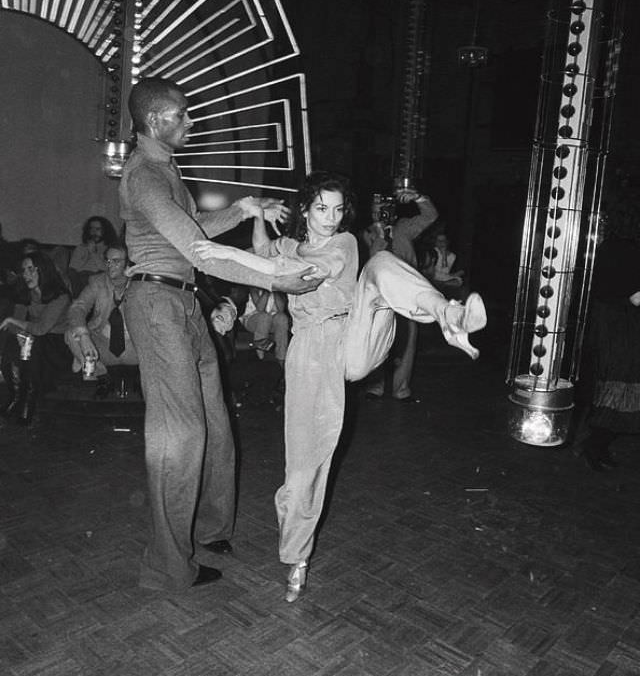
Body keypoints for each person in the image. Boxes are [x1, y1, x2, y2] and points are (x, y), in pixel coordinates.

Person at [193, 171, 486, 604]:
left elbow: (300, 275)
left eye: (336, 209)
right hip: (310, 351)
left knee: (383, 265)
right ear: (306, 210)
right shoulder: (290, 245)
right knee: (305, 464)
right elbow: (265, 255)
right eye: (321, 208)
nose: (330, 218)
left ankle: (448, 315)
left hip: (353, 337)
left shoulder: (345, 244)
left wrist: (224, 251)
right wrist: (255, 214)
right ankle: (297, 559)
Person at [119, 76, 323, 593]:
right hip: (157, 303)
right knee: (178, 438)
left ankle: (209, 530)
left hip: (184, 304)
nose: (192, 122)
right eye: (183, 115)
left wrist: (245, 208)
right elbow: (198, 249)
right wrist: (277, 278)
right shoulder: (144, 175)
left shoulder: (168, 170)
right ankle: (166, 568)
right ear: (155, 121)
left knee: (215, 423)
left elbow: (196, 226)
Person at [363, 188, 438, 401]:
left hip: (406, 292)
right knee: (376, 340)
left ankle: (401, 388)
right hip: (379, 295)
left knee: (408, 340)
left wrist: (419, 197)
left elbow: (430, 216)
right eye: (376, 208)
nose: (380, 212)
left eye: (384, 208)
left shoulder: (404, 228)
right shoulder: (367, 234)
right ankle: (375, 386)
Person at [577, 235, 640, 471]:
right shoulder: (627, 250)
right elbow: (635, 297)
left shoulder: (613, 248)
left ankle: (596, 446)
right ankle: (594, 447)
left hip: (611, 328)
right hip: (619, 332)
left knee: (612, 389)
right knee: (618, 390)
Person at [0, 251, 72, 425]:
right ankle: (16, 397)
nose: (26, 275)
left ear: (44, 270)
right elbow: (13, 325)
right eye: (23, 270)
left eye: (31, 269)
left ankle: (28, 403)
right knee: (15, 342)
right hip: (33, 342)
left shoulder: (60, 296)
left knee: (35, 342)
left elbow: (41, 329)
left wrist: (16, 324)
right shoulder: (25, 293)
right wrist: (19, 332)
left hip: (57, 346)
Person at [65, 244, 138, 393]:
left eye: (116, 261)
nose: (110, 265)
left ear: (129, 263)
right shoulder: (97, 282)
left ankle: (145, 379)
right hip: (102, 347)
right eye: (107, 261)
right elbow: (77, 307)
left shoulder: (141, 284)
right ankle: (101, 375)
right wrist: (84, 335)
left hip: (136, 348)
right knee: (71, 334)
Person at [68, 216, 118, 295]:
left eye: (98, 229)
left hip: (97, 280)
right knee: (78, 274)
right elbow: (73, 267)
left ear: (105, 231)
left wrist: (93, 253)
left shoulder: (111, 249)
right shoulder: (81, 248)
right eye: (91, 229)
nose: (94, 232)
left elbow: (107, 269)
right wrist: (86, 253)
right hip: (80, 280)